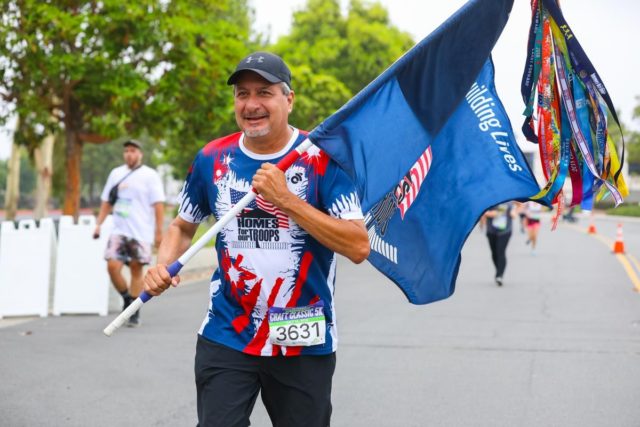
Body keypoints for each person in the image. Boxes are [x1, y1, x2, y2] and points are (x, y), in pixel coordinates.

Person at [143, 52, 370, 427]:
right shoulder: (212, 159)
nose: (251, 105)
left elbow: (357, 245)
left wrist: (286, 200)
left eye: (264, 92)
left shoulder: (322, 159)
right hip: (227, 331)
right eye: (242, 94)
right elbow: (183, 225)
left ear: (288, 99)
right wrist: (162, 265)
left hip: (302, 334)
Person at [93, 139, 166, 327]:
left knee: (136, 268)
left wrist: (159, 232)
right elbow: (106, 201)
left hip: (141, 231)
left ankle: (134, 310)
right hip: (119, 230)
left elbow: (158, 204)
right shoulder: (116, 174)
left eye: (133, 150)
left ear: (140, 154)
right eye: (126, 151)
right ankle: (128, 299)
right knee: (112, 267)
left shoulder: (150, 175)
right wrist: (98, 224)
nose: (129, 154)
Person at [482, 202, 516, 286]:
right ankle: (499, 269)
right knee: (494, 253)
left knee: (500, 252)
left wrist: (514, 212)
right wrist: (490, 213)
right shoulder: (491, 200)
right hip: (491, 231)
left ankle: (499, 275)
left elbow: (518, 207)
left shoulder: (509, 201)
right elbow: (483, 212)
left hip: (505, 231)